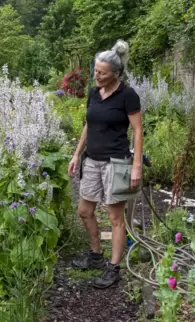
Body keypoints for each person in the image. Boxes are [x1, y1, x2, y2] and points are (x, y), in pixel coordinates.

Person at [68, 39, 143, 289]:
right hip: (92, 160)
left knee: (115, 217)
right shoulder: (93, 93)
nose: (96, 76)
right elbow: (88, 125)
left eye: (101, 73)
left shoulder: (127, 95)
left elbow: (138, 130)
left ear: (116, 74)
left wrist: (136, 167)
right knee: (84, 210)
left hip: (116, 162)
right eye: (95, 71)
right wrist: (77, 154)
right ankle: (95, 255)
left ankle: (114, 267)